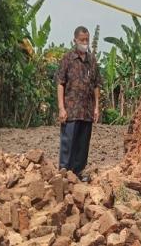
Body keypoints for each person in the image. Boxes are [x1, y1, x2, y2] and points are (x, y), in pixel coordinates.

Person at [56, 26, 102, 182]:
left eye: (87, 40)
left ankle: (77, 174)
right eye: (82, 40)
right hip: (71, 111)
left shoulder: (92, 61)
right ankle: (63, 174)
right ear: (75, 40)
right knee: (68, 143)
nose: (85, 42)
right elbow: (60, 83)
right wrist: (61, 108)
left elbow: (96, 85)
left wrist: (96, 108)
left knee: (83, 145)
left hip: (87, 111)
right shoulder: (68, 59)